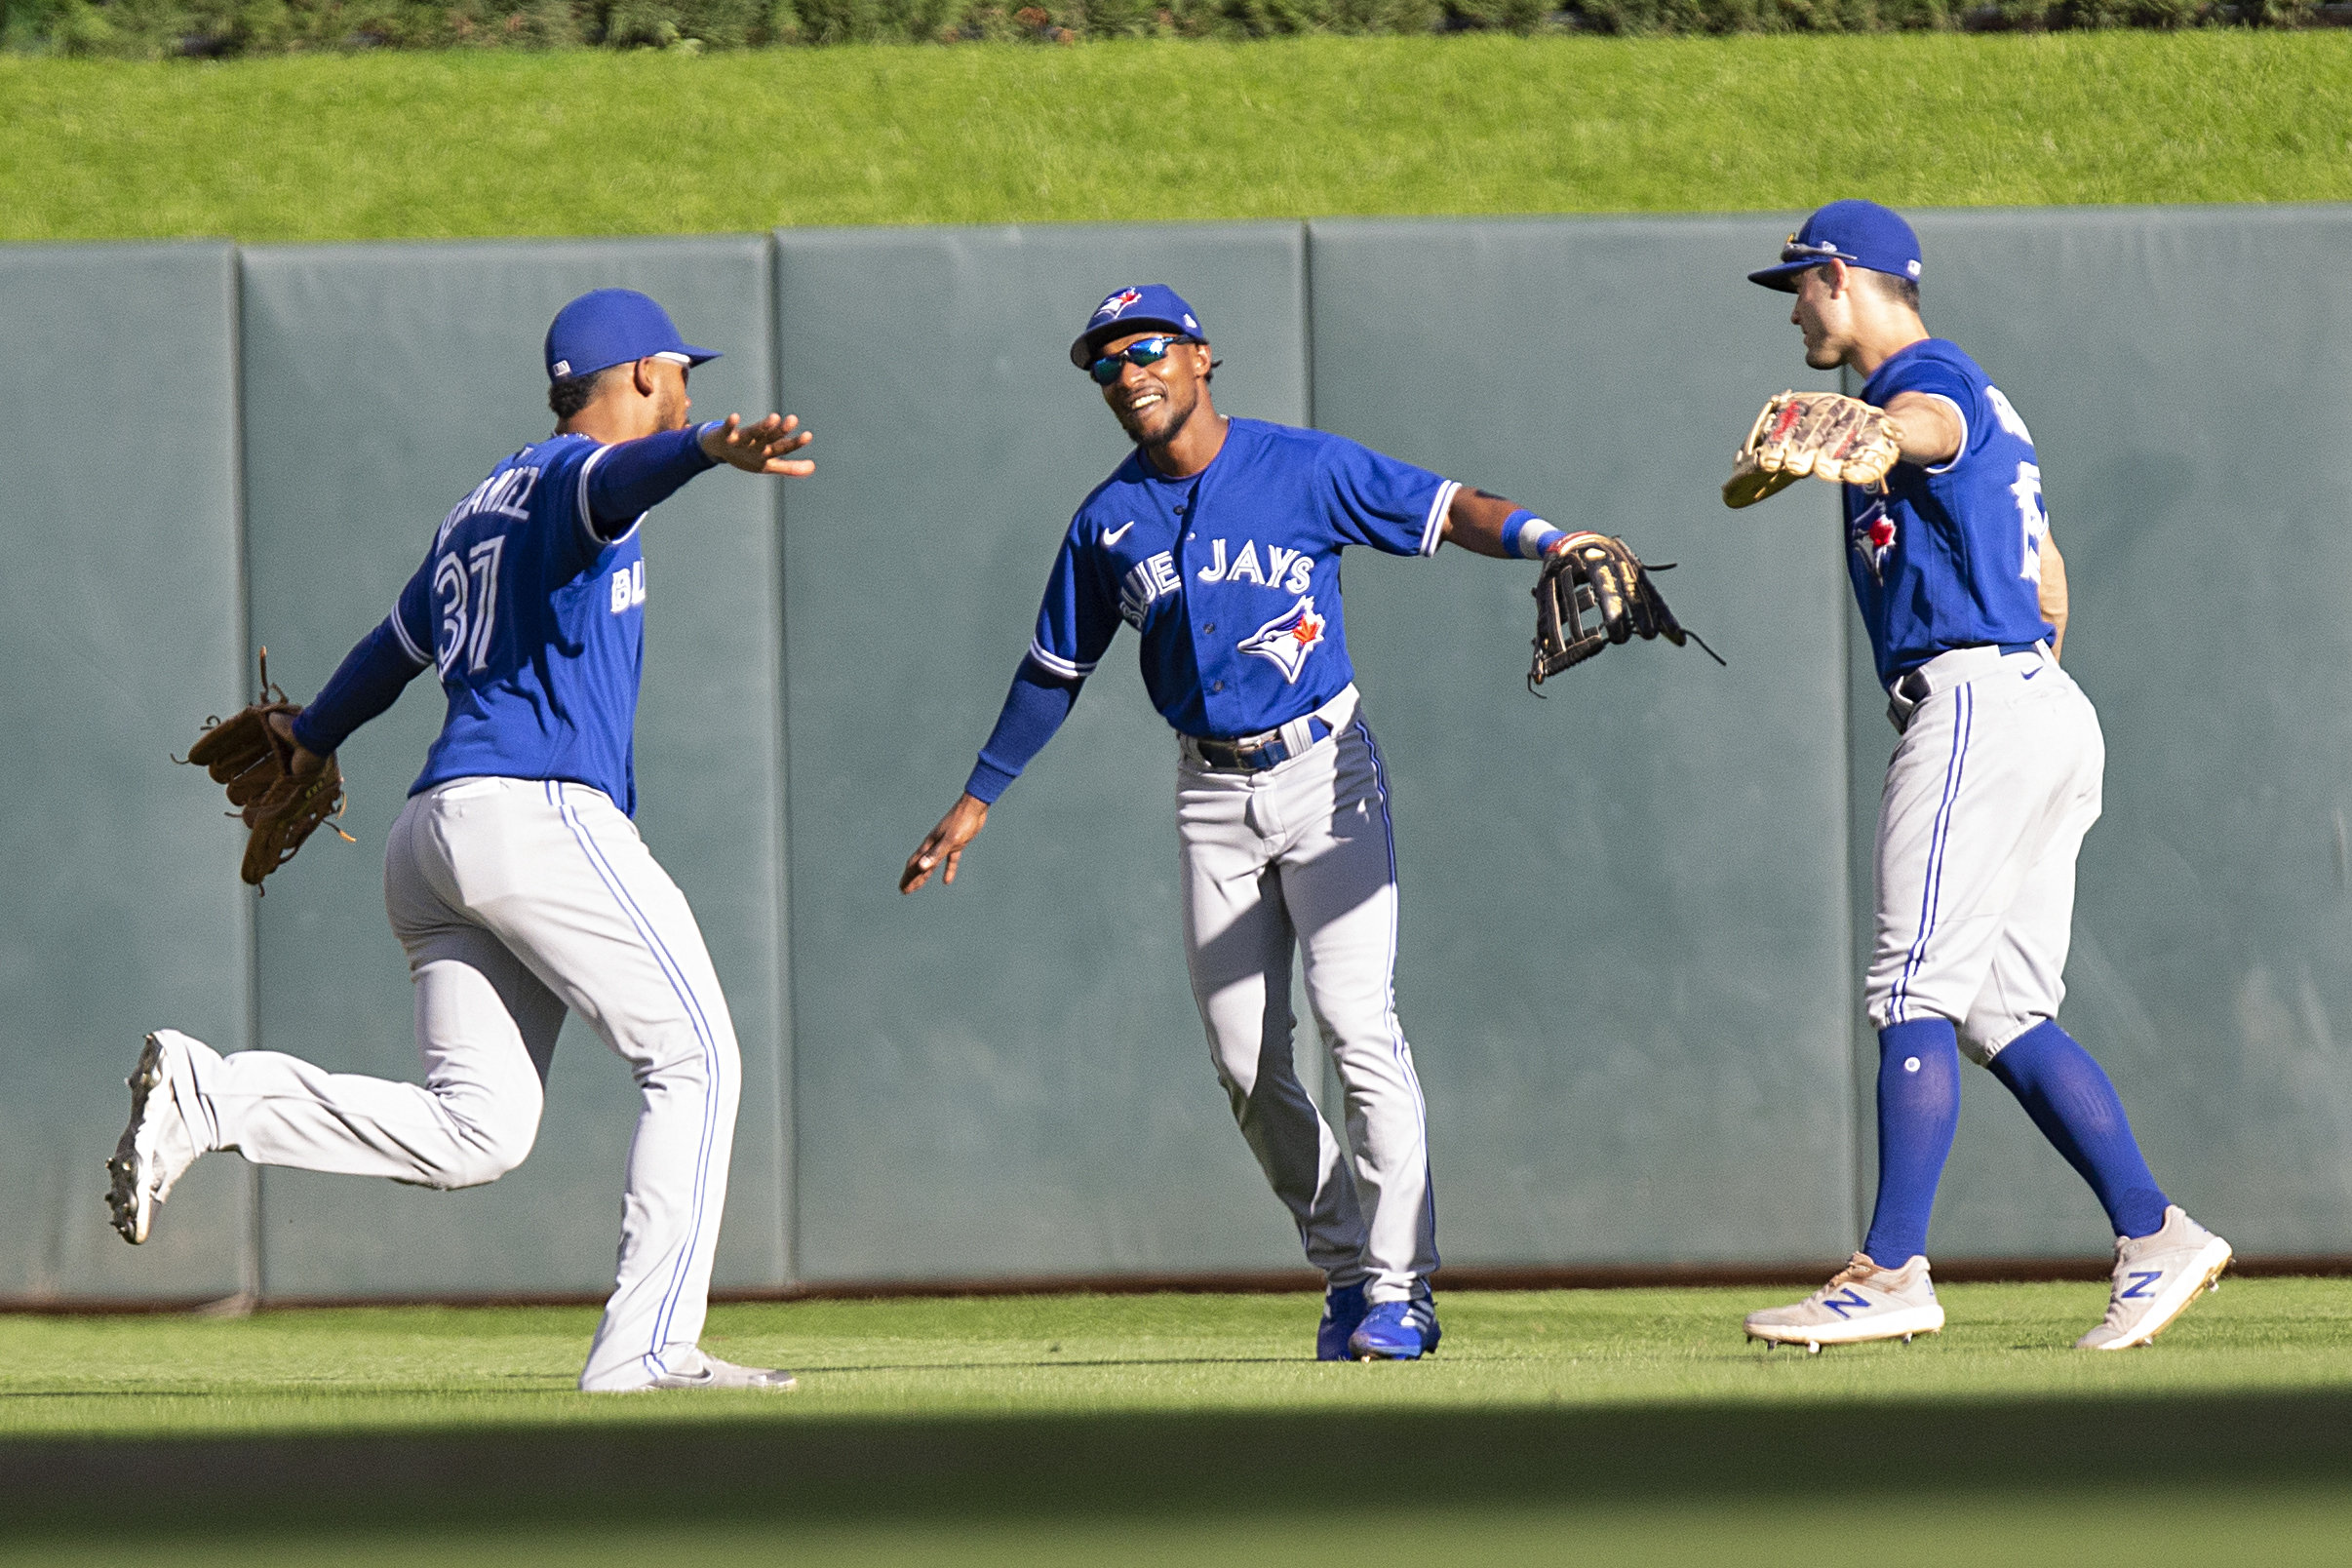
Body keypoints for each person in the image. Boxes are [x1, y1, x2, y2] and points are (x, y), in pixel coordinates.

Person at [106, 289, 815, 1392]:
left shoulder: (476, 506)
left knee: (476, 1132)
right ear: (636, 376)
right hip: (534, 813)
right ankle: (645, 1351)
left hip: (432, 841)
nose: (690, 390)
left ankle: (217, 1096)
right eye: (683, 374)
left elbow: (393, 648)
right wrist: (710, 449)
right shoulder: (580, 478)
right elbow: (621, 474)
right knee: (698, 1061)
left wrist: (313, 737)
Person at [899, 285, 1601, 1361]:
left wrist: (1547, 539)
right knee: (1242, 1058)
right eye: (1106, 364)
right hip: (1211, 793)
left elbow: (1449, 505)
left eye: (1146, 351)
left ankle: (1402, 1284)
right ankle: (1347, 1267)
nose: (1129, 375)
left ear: (1201, 357)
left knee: (1355, 1023)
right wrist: (977, 796)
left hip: (1328, 775)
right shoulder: (1106, 520)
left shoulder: (1301, 469)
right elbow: (1054, 669)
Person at [1736, 202, 2232, 1352]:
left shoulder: (1930, 378)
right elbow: (2048, 575)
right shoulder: (1974, 403)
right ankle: (2155, 1233)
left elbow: (1925, 423)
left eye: (1801, 285)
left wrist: (1876, 433)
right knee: (2005, 1010)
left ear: (1843, 275)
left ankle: (1892, 1271)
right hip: (2031, 702)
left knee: (1910, 987)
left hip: (1974, 703)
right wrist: (2026, 687)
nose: (1796, 308)